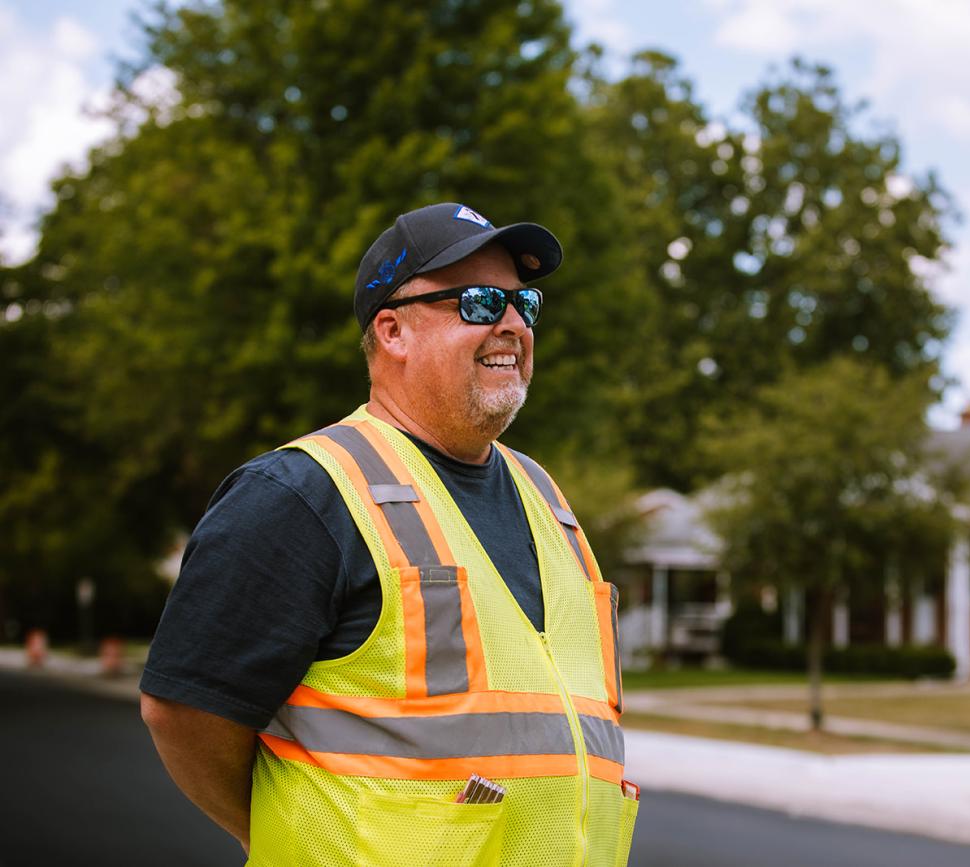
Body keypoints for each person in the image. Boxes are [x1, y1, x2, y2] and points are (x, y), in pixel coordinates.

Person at [140, 203, 636, 866]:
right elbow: (185, 713)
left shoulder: (548, 498)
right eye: (481, 302)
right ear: (393, 330)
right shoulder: (301, 494)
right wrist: (287, 834)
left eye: (526, 304)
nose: (513, 324)